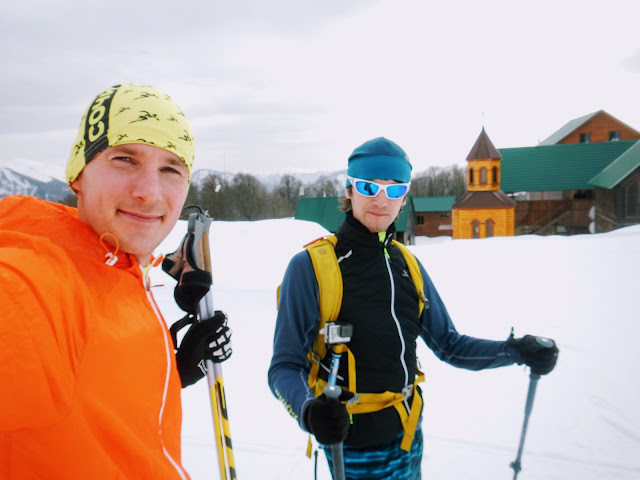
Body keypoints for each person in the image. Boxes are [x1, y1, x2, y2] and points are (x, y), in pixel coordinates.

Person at [268, 137, 559, 480]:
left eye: (394, 190)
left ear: (404, 197)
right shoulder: (311, 267)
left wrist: (517, 351)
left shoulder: (408, 265)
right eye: (368, 186)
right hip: (350, 447)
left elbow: (450, 345)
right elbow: (284, 367)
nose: (380, 200)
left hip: (408, 435)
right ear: (349, 191)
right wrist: (309, 411)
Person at [0, 84, 231, 479]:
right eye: (125, 159)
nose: (149, 192)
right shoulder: (33, 280)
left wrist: (169, 373)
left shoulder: (121, 270)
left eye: (171, 169)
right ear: (79, 175)